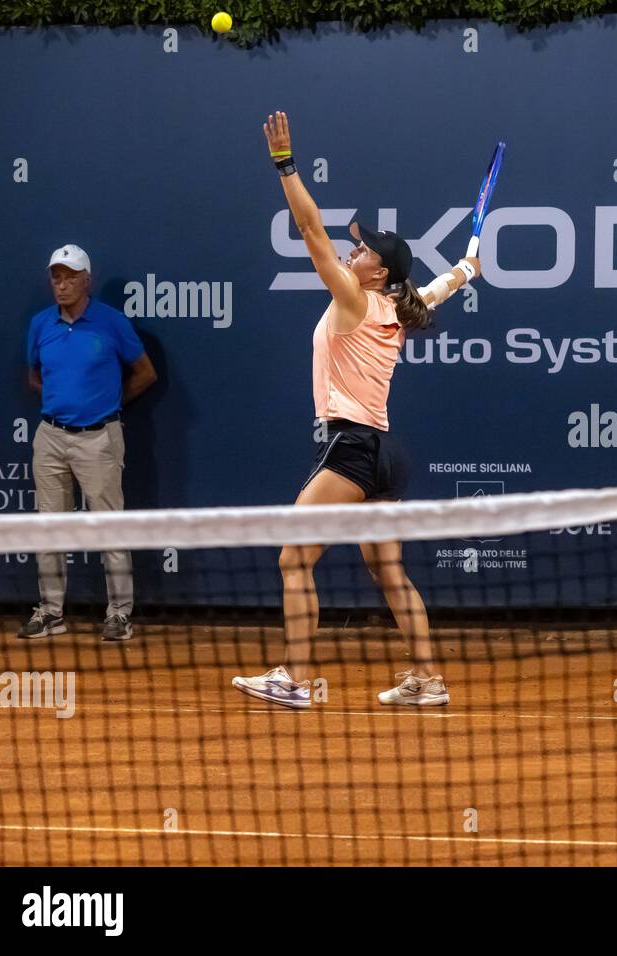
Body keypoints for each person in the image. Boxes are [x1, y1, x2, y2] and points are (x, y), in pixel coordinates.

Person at [231, 111, 480, 709]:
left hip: (354, 448)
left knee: (294, 558)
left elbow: (310, 230)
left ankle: (292, 678)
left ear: (379, 272)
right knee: (387, 572)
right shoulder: (398, 306)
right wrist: (467, 271)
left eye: (363, 248)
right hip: (385, 454)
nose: (353, 249)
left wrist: (285, 165)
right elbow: (437, 288)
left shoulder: (353, 296)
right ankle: (429, 679)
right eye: (356, 244)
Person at [20, 244, 158, 642]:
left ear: (87, 280)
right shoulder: (40, 325)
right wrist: (59, 405)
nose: (62, 284)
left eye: (70, 277)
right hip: (49, 438)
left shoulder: (111, 323)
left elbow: (145, 373)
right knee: (48, 527)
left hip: (100, 439)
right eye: (56, 277)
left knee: (108, 528)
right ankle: (50, 612)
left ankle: (118, 614)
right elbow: (34, 376)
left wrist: (107, 406)